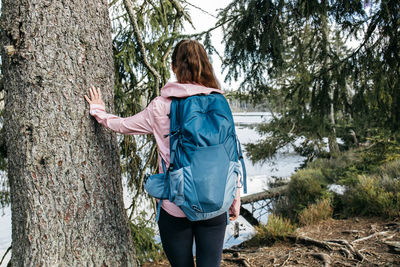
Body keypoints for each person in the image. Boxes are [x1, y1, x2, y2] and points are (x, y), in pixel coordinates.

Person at [84, 39, 240, 267]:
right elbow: (233, 155)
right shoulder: (220, 102)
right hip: (217, 204)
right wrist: (234, 200)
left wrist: (99, 111)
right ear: (206, 64)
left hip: (176, 205)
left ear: (174, 67)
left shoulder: (161, 106)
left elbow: (124, 125)